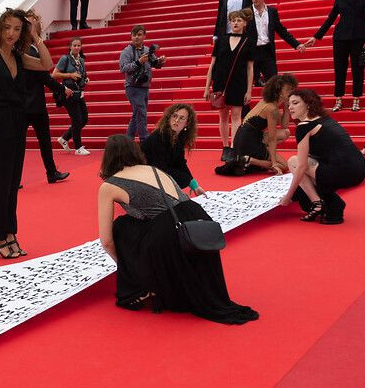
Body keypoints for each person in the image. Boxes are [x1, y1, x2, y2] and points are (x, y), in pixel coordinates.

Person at [97, 134, 258, 323]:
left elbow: (106, 240)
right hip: (197, 218)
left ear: (108, 157)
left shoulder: (109, 185)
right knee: (133, 223)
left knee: (121, 226)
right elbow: (180, 199)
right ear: (135, 151)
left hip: (171, 228)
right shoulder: (154, 169)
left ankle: (145, 284)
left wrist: (128, 268)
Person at [0, 7, 53, 259]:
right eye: (7, 28)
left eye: (17, 29)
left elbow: (47, 64)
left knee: (12, 182)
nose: (11, 33)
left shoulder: (18, 56)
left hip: (19, 122)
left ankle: (9, 232)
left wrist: (35, 36)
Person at [281, 88, 365, 224]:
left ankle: (317, 203)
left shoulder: (304, 126)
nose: (290, 107)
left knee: (293, 162)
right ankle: (322, 202)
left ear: (308, 104)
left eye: (295, 103)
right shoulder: (324, 119)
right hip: (360, 168)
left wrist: (288, 196)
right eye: (289, 104)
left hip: (344, 172)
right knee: (307, 170)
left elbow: (302, 166)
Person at [304, 0, 365, 112]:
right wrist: (316, 36)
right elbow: (331, 17)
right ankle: (338, 99)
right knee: (339, 68)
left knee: (358, 68)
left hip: (359, 37)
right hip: (340, 37)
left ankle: (356, 99)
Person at [216, 72, 297, 176]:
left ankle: (258, 157)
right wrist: (274, 162)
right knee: (284, 166)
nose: (291, 93)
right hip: (249, 142)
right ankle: (250, 160)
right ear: (278, 91)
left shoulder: (268, 103)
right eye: (288, 90)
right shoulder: (271, 108)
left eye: (292, 89)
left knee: (285, 132)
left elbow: (284, 126)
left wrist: (286, 108)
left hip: (245, 138)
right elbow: (272, 139)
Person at [23, 11, 69, 184]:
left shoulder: (32, 49)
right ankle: (50, 173)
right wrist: (62, 88)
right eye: (31, 24)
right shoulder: (29, 51)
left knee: (42, 142)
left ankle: (51, 172)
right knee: (38, 142)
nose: (34, 26)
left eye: (35, 23)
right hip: (31, 104)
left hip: (31, 103)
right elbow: (44, 75)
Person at [204, 9, 255, 159]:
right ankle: (225, 147)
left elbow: (250, 68)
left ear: (245, 23)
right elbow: (212, 65)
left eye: (239, 20)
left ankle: (234, 147)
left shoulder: (249, 41)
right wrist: (207, 87)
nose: (235, 23)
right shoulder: (221, 40)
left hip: (239, 82)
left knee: (237, 116)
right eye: (233, 20)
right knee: (223, 116)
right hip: (220, 82)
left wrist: (249, 90)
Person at [246, 0, 303, 87]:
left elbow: (281, 30)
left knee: (274, 83)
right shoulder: (246, 12)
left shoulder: (272, 12)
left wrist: (296, 44)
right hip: (251, 51)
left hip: (267, 51)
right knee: (251, 84)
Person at [141, 103, 204, 197]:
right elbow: (160, 168)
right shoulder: (159, 136)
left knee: (182, 177)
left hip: (156, 173)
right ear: (169, 118)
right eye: (174, 116)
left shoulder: (179, 138)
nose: (177, 120)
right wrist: (187, 180)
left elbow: (180, 163)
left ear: (187, 123)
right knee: (182, 179)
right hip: (144, 174)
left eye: (182, 118)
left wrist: (195, 185)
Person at [119, 25, 166, 141]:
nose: (136, 37)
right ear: (131, 36)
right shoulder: (126, 51)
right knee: (141, 114)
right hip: (133, 87)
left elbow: (154, 63)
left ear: (144, 36)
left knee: (137, 114)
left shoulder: (147, 50)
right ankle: (144, 140)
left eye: (139, 35)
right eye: (134, 35)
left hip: (144, 86)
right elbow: (123, 68)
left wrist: (160, 61)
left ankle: (128, 141)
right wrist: (138, 62)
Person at [55, 37, 91, 155]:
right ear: (70, 46)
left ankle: (64, 138)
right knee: (77, 120)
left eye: (78, 45)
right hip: (68, 93)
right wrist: (70, 75)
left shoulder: (81, 60)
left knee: (84, 119)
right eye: (74, 45)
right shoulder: (65, 59)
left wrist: (85, 79)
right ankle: (78, 148)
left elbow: (83, 74)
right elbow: (54, 74)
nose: (76, 47)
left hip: (79, 93)